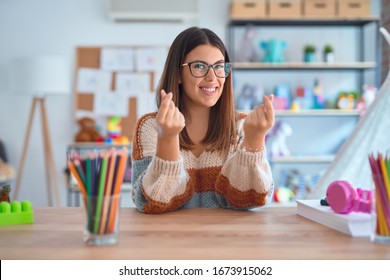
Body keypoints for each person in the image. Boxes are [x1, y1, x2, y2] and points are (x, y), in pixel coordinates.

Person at [131, 27, 275, 214]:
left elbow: (252, 199)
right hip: (169, 241)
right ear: (178, 73)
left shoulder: (241, 126)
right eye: (199, 66)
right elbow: (149, 202)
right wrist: (167, 139)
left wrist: (254, 141)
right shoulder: (150, 127)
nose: (212, 77)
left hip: (229, 241)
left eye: (218, 66)